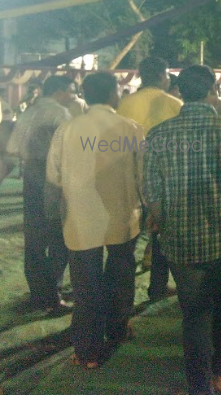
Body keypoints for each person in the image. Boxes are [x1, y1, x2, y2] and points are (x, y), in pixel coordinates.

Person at [143, 65, 221, 395]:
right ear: (213, 90)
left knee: (194, 315)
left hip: (179, 243)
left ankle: (199, 386)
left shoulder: (158, 135)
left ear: (180, 92)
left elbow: (152, 191)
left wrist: (160, 219)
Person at [46, 73, 144, 368]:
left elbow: (53, 177)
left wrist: (55, 211)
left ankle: (87, 351)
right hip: (122, 219)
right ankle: (117, 330)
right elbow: (144, 177)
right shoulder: (131, 129)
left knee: (85, 287)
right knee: (120, 277)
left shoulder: (68, 129)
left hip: (80, 221)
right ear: (113, 94)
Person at [118, 57, 183, 302]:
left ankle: (122, 297)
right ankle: (157, 287)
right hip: (163, 182)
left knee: (127, 241)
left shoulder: (125, 103)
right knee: (161, 237)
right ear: (161, 76)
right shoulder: (175, 104)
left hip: (129, 180)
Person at [8, 75, 74, 312]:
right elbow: (68, 151)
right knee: (58, 236)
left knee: (34, 238)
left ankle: (38, 293)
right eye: (70, 91)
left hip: (31, 177)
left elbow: (13, 147)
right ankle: (52, 294)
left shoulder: (28, 112)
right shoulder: (60, 113)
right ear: (59, 91)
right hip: (52, 178)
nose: (72, 96)